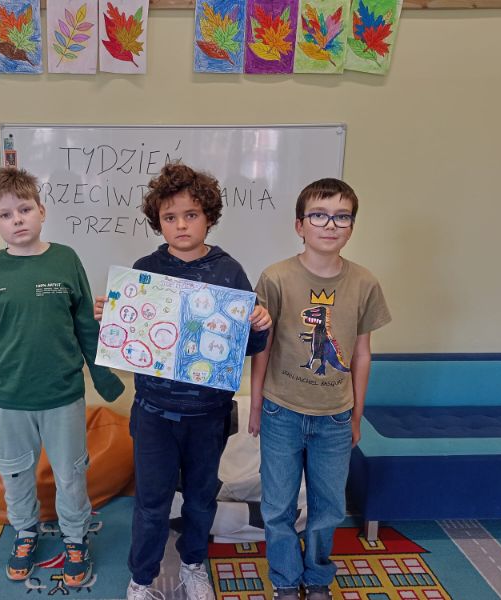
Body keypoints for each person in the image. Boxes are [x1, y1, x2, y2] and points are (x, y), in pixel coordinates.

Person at [94, 162, 272, 600]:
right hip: (154, 413)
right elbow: (131, 343)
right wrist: (111, 320)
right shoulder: (145, 269)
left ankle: (193, 565)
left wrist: (259, 325)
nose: (181, 225)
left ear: (208, 216)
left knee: (200, 499)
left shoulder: (229, 271)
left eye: (190, 214)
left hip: (208, 416)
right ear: (159, 222)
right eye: (170, 217)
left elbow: (245, 345)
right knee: (151, 504)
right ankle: (141, 578)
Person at [0, 167, 125, 586]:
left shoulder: (65, 259)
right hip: (8, 397)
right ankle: (25, 532)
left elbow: (85, 326)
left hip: (62, 394)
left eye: (24, 209)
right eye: (6, 214)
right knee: (15, 474)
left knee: (71, 474)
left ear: (42, 211)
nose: (17, 219)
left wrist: (103, 378)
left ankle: (75, 538)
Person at [249, 178, 392, 600]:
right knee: (277, 506)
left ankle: (316, 579)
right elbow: (262, 346)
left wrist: (356, 414)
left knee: (328, 507)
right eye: (319, 215)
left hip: (335, 417)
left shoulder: (364, 283)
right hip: (281, 411)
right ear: (300, 225)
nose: (330, 225)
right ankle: (285, 580)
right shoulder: (276, 277)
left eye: (341, 217)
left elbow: (362, 353)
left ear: (352, 226)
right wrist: (255, 404)